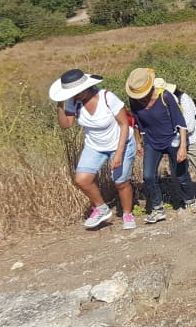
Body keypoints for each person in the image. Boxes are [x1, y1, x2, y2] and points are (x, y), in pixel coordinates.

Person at [50, 69, 137, 230]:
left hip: (121, 142)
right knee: (82, 179)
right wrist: (60, 105)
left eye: (75, 92)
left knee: (121, 182)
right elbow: (66, 125)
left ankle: (127, 213)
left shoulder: (107, 98)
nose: (73, 95)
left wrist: (118, 154)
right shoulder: (73, 102)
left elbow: (124, 124)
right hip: (95, 146)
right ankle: (101, 208)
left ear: (85, 88)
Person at [126, 68, 189, 223]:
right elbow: (138, 124)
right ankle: (158, 209)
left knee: (180, 175)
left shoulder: (165, 97)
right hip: (152, 141)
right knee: (148, 176)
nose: (140, 99)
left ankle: (189, 200)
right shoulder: (133, 101)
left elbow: (181, 123)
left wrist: (182, 147)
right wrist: (138, 142)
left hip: (172, 139)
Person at [155, 78, 196, 201]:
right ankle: (186, 197)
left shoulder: (184, 99)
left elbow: (189, 126)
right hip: (177, 141)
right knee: (177, 172)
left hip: (194, 139)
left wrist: (174, 131)